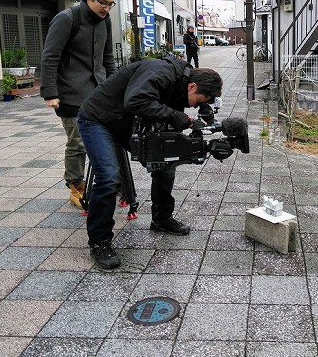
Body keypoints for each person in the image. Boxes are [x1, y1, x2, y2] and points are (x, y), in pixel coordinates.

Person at [77, 57, 223, 269]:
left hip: (126, 121)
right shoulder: (161, 72)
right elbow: (136, 100)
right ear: (192, 85)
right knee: (109, 177)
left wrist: (201, 115)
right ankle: (100, 242)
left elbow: (160, 108)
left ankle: (161, 219)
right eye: (199, 100)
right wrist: (177, 117)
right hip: (98, 119)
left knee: (166, 162)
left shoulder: (180, 82)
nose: (196, 105)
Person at [40, 0, 117, 211]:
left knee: (107, 139)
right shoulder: (67, 19)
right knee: (78, 143)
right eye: (102, 3)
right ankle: (76, 186)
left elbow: (108, 58)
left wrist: (114, 87)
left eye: (110, 3)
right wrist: (50, 93)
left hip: (99, 93)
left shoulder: (106, 21)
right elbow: (50, 56)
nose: (106, 8)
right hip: (71, 94)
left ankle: (109, 183)